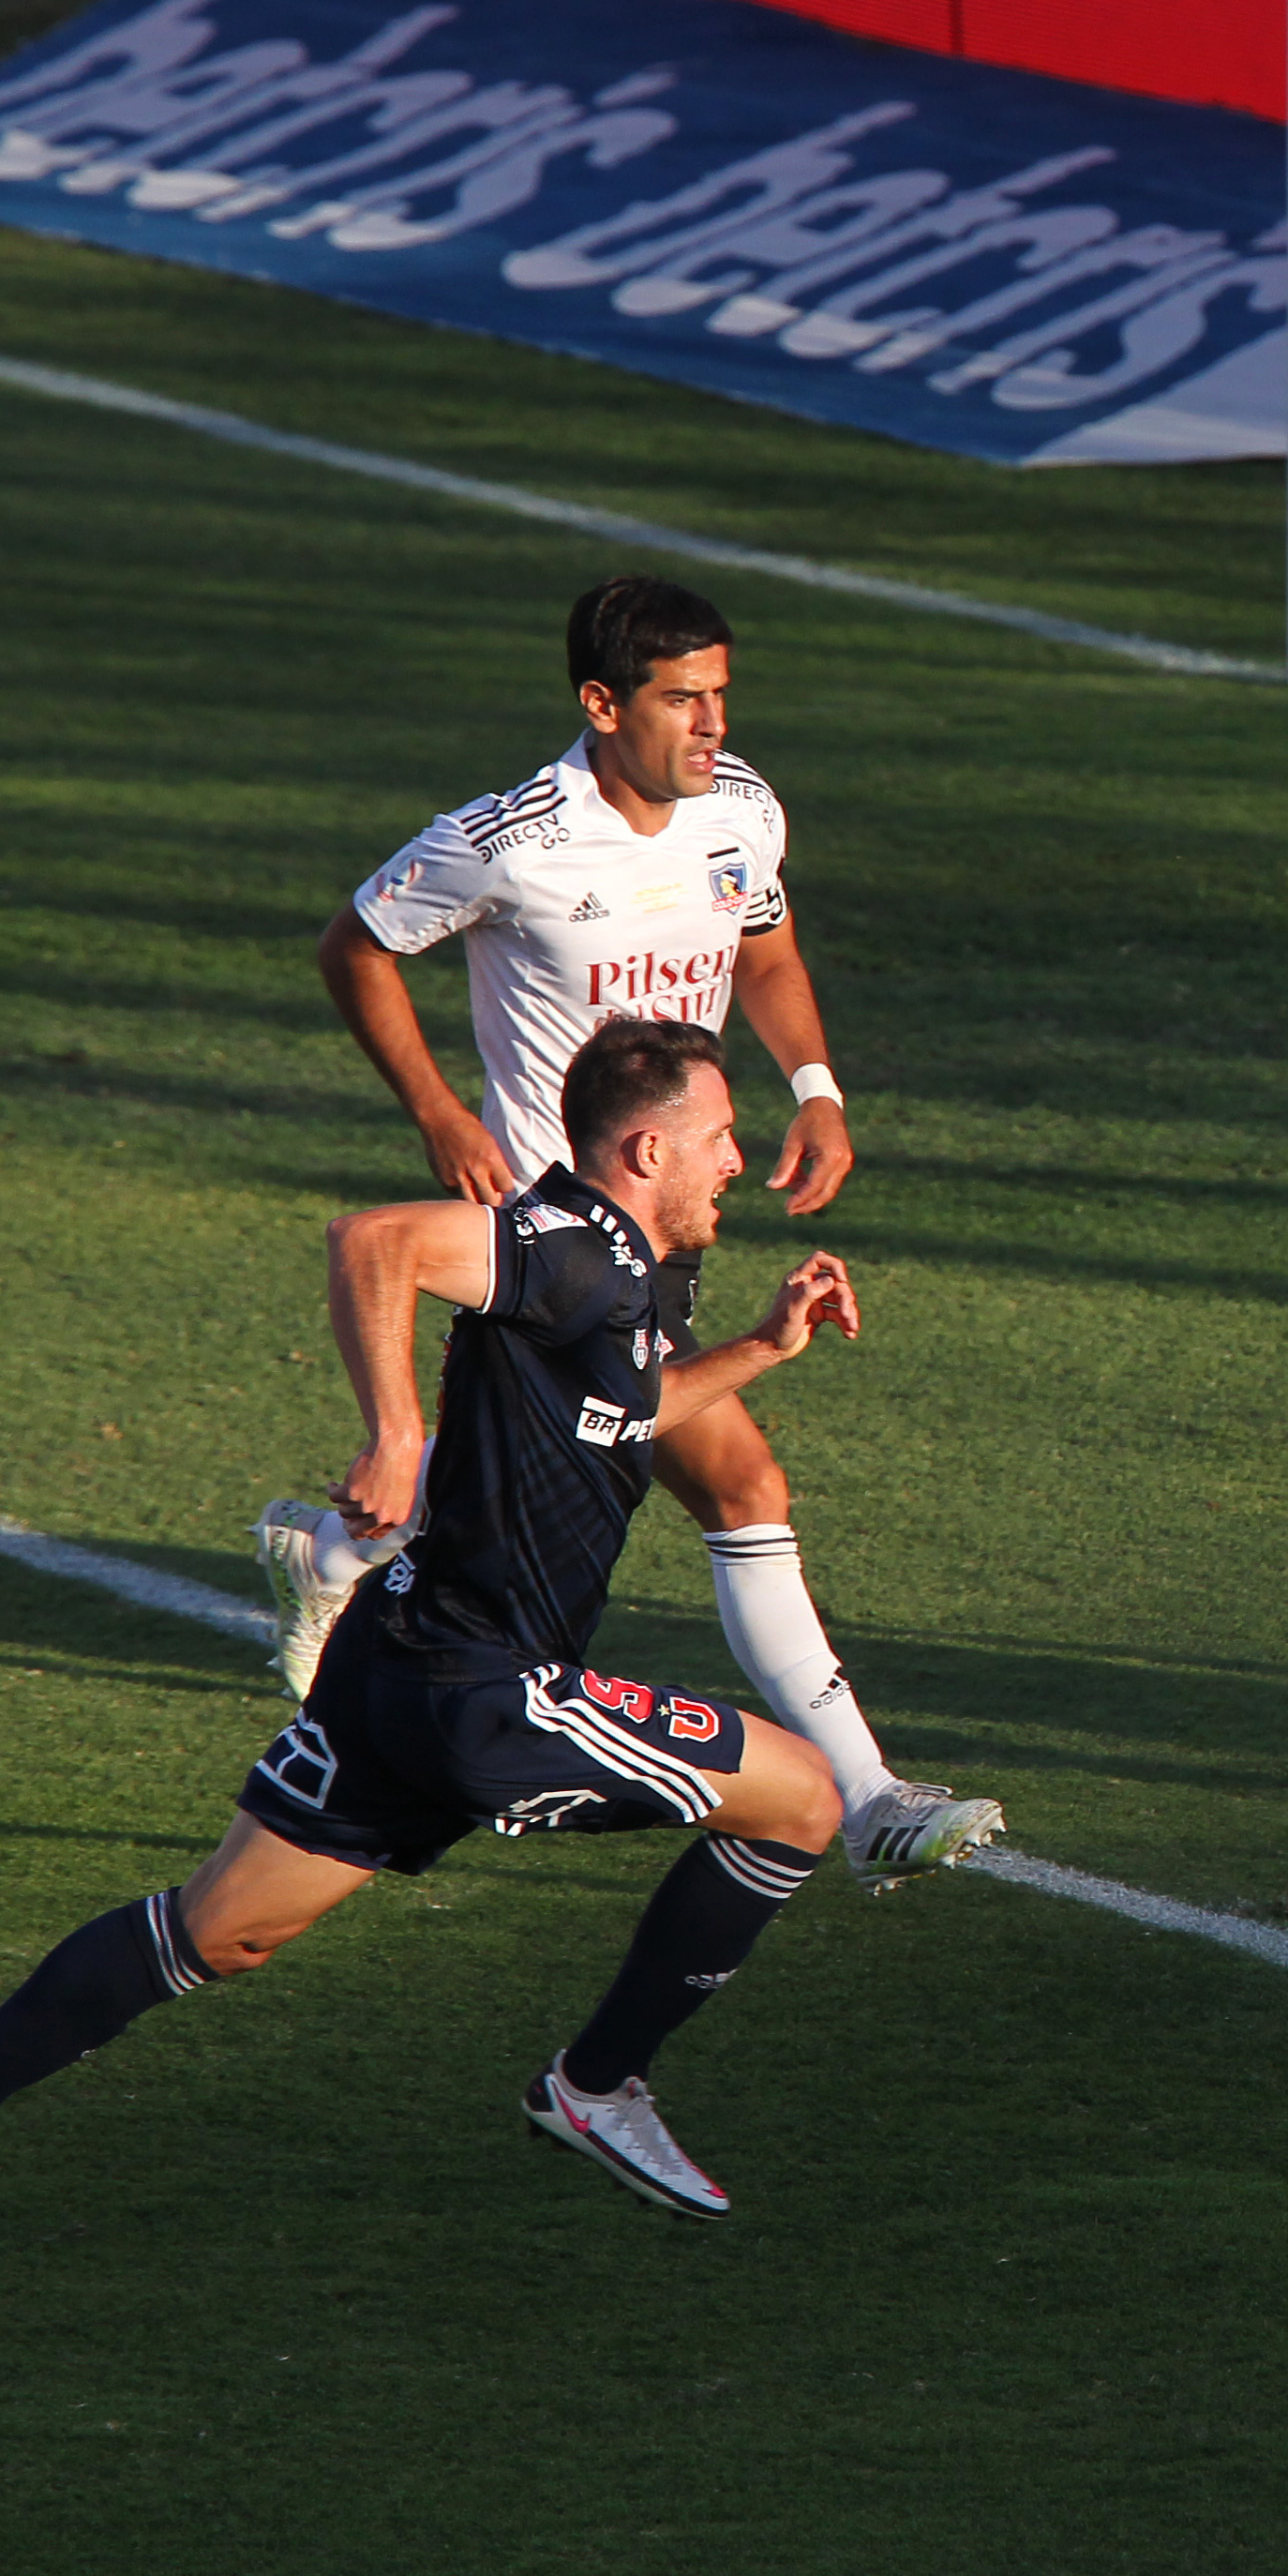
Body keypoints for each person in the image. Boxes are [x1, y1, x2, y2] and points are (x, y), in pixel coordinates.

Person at [0, 1022, 874, 2295]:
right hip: (485, 1688)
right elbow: (375, 1242)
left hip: (398, 1664)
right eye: (718, 1140)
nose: (736, 1162)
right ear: (648, 1148)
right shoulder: (569, 1243)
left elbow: (618, 1416)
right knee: (803, 1798)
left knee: (217, 1934)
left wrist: (760, 1349)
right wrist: (396, 1433)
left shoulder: (616, 1274)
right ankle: (597, 2083)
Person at [258, 576, 999, 1887]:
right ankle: (871, 1797)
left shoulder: (742, 811)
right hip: (550, 1257)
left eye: (721, 693)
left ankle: (342, 1548)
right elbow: (355, 946)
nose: (711, 722)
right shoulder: (511, 839)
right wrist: (437, 1109)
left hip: (666, 1238)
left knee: (542, 1491)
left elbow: (764, 950)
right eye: (680, 698)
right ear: (603, 705)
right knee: (740, 1484)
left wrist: (817, 1090)